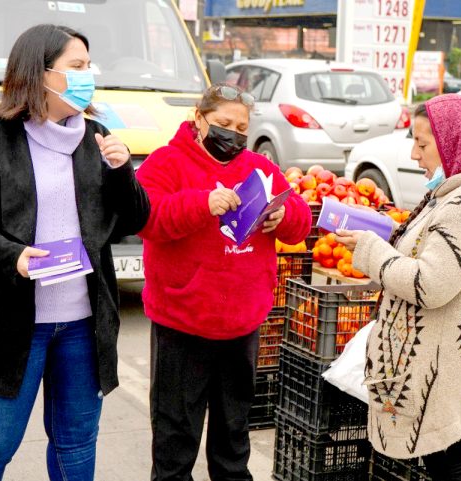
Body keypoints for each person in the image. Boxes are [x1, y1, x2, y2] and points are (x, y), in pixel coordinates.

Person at [0, 24, 150, 480]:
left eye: (89, 65)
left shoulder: (97, 137)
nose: (88, 75)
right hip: (9, 323)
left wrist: (121, 171)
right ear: (40, 72)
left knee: (76, 443)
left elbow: (133, 221)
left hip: (82, 325)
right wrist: (10, 254)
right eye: (77, 66)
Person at [335, 95, 461, 481]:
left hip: (440, 370)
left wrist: (371, 251)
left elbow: (431, 284)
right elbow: (439, 251)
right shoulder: (460, 192)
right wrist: (390, 232)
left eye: (422, 144)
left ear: (453, 144)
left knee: (449, 466)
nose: (414, 154)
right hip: (444, 363)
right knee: (446, 464)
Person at [136, 83, 312, 481]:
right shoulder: (166, 162)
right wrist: (202, 203)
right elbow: (147, 218)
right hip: (182, 325)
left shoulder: (259, 168)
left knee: (233, 439)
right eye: (223, 123)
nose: (232, 134)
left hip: (241, 326)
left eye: (241, 128)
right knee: (175, 439)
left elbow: (300, 218)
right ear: (199, 118)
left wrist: (283, 217)